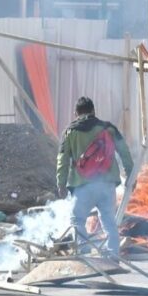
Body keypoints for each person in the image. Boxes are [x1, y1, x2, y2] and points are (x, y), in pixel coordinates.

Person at [56, 96, 134, 257]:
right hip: (106, 185)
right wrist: (131, 176)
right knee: (108, 221)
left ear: (75, 113)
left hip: (82, 185)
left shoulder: (70, 132)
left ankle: (84, 255)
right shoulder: (109, 129)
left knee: (77, 220)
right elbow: (124, 152)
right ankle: (114, 255)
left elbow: (62, 160)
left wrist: (61, 184)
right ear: (93, 111)